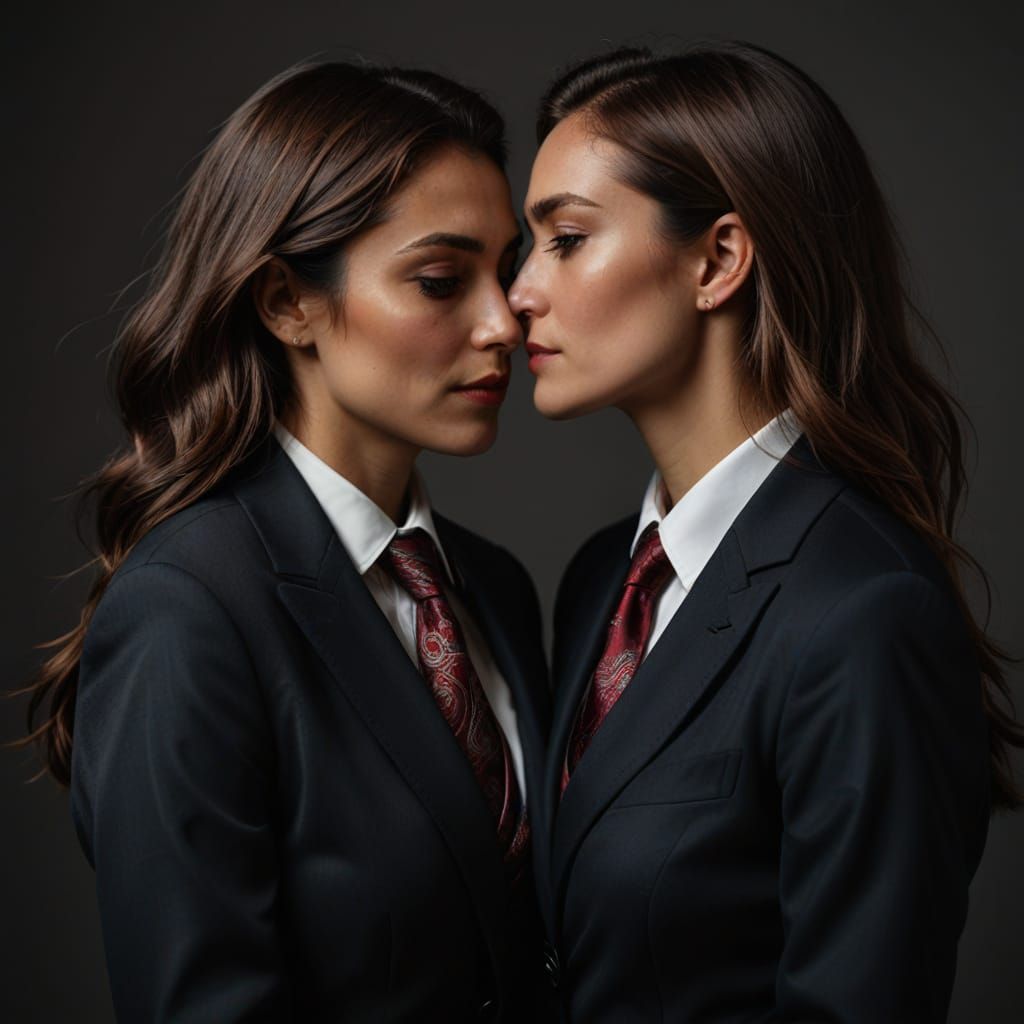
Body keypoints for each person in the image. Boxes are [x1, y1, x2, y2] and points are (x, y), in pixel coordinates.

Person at [21, 61, 554, 1023]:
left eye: (503, 267)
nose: (503, 320)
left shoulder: (495, 590)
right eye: (441, 279)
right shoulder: (188, 609)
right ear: (285, 303)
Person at [507, 41, 1020, 1023]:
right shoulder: (597, 585)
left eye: (565, 239)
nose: (519, 292)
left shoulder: (864, 611)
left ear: (718, 260)